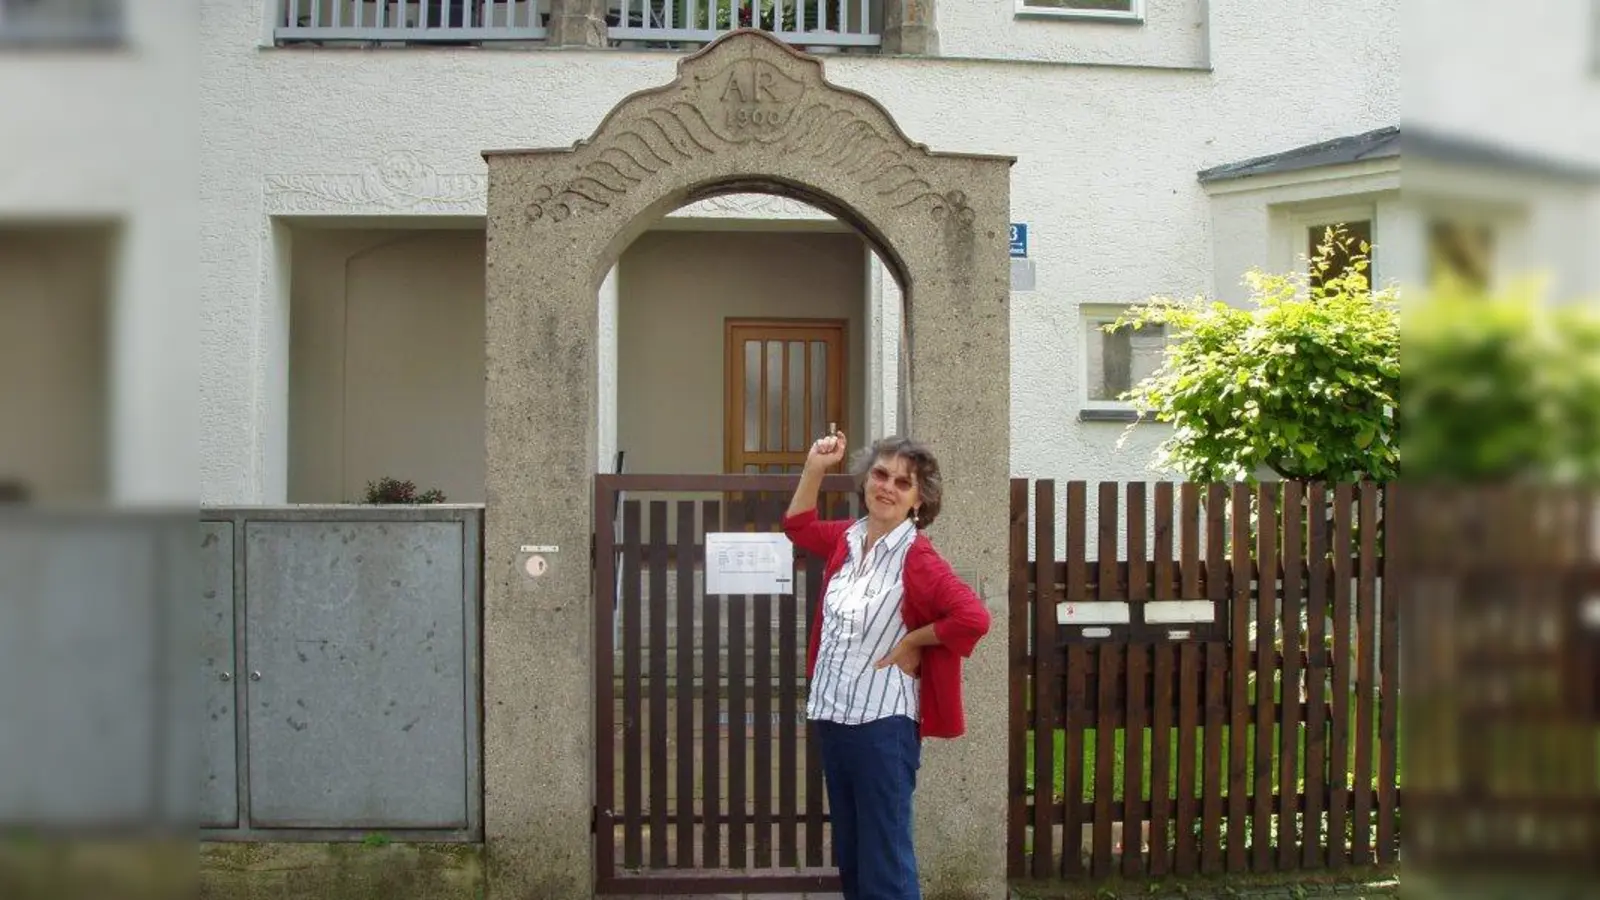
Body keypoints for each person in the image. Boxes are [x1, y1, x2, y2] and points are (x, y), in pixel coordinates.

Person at [781, 430, 991, 900]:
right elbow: (796, 525)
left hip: (882, 728)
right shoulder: (847, 539)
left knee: (885, 863)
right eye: (880, 474)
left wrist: (916, 639)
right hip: (834, 719)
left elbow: (973, 618)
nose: (887, 487)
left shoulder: (917, 558)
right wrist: (816, 465)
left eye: (903, 482)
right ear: (865, 482)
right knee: (854, 857)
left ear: (919, 500)